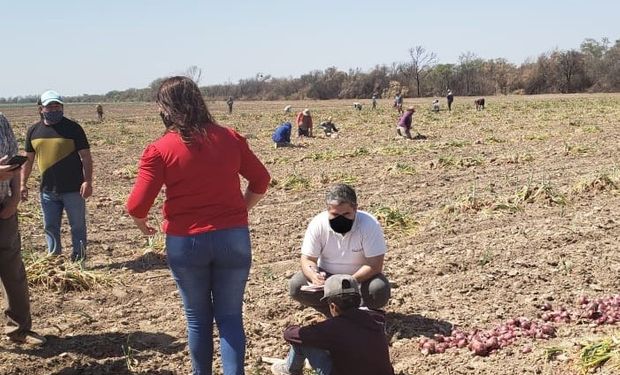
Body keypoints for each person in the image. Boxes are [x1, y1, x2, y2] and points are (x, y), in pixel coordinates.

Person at [126, 76, 270, 375]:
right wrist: (240, 211)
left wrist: (143, 225)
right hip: (233, 238)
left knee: (197, 319)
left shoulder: (160, 149)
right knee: (230, 316)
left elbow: (136, 205)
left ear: (166, 108)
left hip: (186, 242)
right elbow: (261, 180)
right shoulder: (230, 138)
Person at [288, 184, 391, 316]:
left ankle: (362, 313)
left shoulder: (369, 224)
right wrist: (314, 275)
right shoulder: (318, 224)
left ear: (355, 208)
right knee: (296, 286)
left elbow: (375, 264)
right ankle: (333, 313)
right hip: (327, 278)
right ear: (328, 210)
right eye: (335, 214)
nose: (340, 219)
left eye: (346, 214)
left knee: (378, 290)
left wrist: (347, 283)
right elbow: (308, 259)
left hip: (360, 279)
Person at [21, 90, 93, 262]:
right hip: (47, 191)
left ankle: (79, 258)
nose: (54, 109)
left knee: (77, 226)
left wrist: (88, 181)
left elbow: (86, 157)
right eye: (49, 106)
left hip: (73, 189)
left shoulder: (73, 128)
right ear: (41, 109)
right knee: (50, 226)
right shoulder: (33, 131)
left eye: (57, 105)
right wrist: (22, 183)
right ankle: (54, 259)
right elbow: (28, 160)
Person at [272, 274, 394, 375]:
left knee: (303, 340)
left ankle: (290, 370)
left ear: (333, 306)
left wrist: (296, 328)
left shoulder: (333, 328)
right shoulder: (376, 318)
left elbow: (290, 335)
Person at [0, 113, 46, 346]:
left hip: (4, 207)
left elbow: (17, 162)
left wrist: (15, 197)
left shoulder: (1, 121)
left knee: (12, 269)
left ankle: (19, 328)